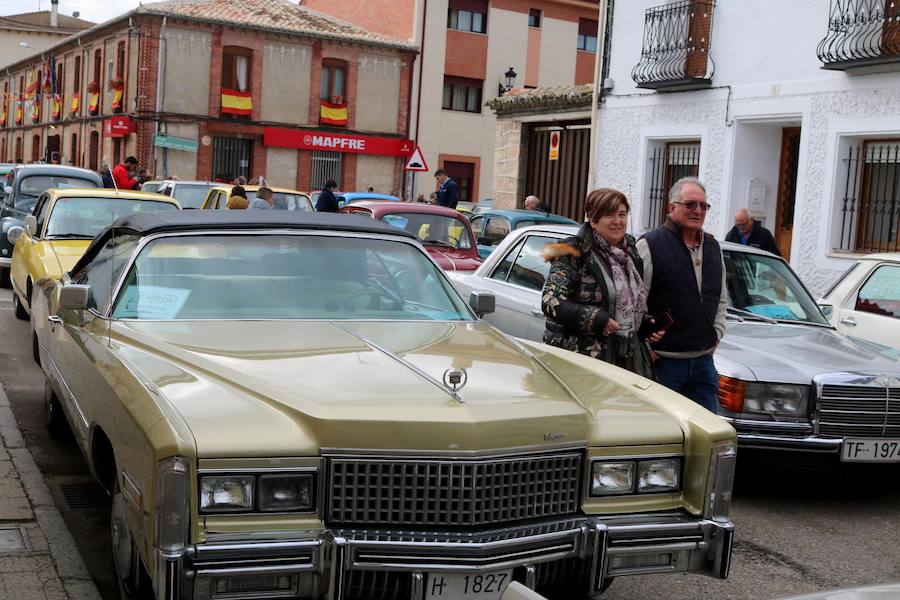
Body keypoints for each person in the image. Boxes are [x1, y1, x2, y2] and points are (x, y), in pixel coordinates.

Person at [541, 188, 664, 378]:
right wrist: (595, 319)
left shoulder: (630, 251)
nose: (617, 221)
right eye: (609, 215)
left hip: (628, 359)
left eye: (622, 214)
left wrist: (644, 323)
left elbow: (626, 303)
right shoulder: (572, 251)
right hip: (584, 361)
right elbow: (551, 301)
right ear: (592, 218)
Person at [636, 177, 727, 413]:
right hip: (664, 362)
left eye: (703, 205)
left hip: (703, 363)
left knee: (706, 437)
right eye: (690, 204)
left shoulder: (713, 246)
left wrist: (716, 335)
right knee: (661, 435)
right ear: (672, 208)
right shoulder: (650, 245)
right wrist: (647, 349)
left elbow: (721, 298)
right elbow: (635, 303)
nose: (698, 210)